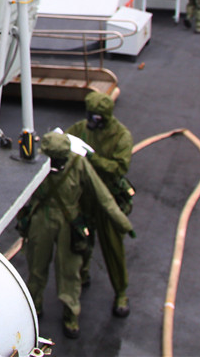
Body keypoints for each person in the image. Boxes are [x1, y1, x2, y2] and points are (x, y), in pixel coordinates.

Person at [16, 131, 133, 340]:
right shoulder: (37, 160)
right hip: (41, 217)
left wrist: (122, 223)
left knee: (70, 270)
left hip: (68, 220)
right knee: (36, 266)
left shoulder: (78, 164)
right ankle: (34, 305)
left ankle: (71, 313)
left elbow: (103, 196)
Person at [67, 91, 134, 317]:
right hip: (85, 196)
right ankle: (83, 273)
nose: (90, 120)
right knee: (81, 240)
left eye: (95, 117)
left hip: (108, 198)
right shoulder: (82, 128)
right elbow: (67, 139)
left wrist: (92, 159)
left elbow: (120, 168)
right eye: (89, 115)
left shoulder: (121, 137)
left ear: (105, 117)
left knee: (113, 246)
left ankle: (121, 291)